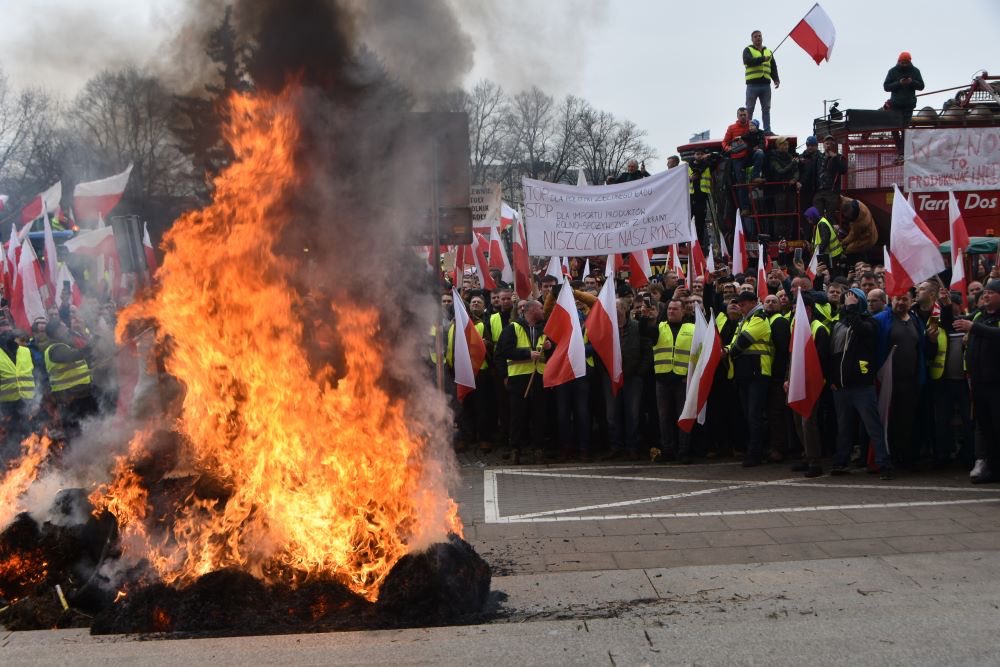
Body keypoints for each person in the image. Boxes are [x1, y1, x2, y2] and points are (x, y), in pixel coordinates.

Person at [829, 288, 893, 479]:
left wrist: (852, 310)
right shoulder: (838, 324)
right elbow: (832, 354)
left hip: (862, 385)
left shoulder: (869, 322)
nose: (848, 302)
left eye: (853, 299)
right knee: (844, 427)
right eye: (846, 299)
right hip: (840, 386)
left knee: (872, 426)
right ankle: (841, 461)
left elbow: (861, 330)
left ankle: (884, 464)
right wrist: (832, 379)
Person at [953, 279, 1000, 483]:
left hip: (997, 383)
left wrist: (974, 328)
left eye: (991, 292)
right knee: (986, 426)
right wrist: (946, 307)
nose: (985, 296)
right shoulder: (979, 315)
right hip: (979, 382)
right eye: (985, 293)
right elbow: (955, 322)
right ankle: (992, 468)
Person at [497, 299, 549, 464]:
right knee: (518, 416)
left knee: (539, 415)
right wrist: (527, 354)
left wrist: (549, 347)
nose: (543, 311)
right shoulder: (513, 328)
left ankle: (539, 449)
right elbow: (504, 351)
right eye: (540, 308)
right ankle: (515, 449)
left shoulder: (544, 330)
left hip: (539, 377)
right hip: (519, 378)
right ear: (531, 310)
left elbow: (551, 354)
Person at [723, 291, 772, 467]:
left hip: (757, 372)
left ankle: (756, 452)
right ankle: (756, 450)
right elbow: (735, 341)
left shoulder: (759, 317)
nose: (741, 307)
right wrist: (725, 349)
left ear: (753, 302)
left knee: (755, 415)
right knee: (749, 415)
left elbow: (743, 341)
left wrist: (729, 351)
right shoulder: (745, 320)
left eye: (743, 304)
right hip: (746, 373)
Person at [649, 299, 695, 463]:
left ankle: (684, 452)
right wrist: (648, 318)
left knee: (683, 417)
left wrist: (690, 376)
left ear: (683, 311)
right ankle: (668, 450)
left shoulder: (693, 328)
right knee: (664, 417)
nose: (671, 312)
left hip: (682, 380)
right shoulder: (659, 327)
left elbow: (698, 354)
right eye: (669, 309)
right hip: (662, 380)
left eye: (675, 309)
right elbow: (646, 332)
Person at [43, 319, 98, 440]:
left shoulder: (64, 346)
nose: (66, 328)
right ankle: (76, 455)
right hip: (71, 399)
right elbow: (74, 356)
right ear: (56, 331)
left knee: (92, 426)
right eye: (63, 326)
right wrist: (92, 343)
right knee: (75, 432)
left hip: (80, 395)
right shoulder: (55, 349)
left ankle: (92, 451)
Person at [743, 30, 780, 134]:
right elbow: (748, 61)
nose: (758, 38)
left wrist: (776, 79)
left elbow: (773, 67)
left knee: (766, 109)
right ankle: (747, 130)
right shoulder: (748, 50)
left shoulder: (768, 51)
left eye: (759, 36)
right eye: (755, 36)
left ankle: (767, 130)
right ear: (752, 39)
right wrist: (762, 59)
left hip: (765, 85)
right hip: (752, 85)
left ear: (762, 38)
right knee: (749, 109)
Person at [883, 52, 925, 126]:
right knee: (894, 126)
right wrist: (899, 83)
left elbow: (921, 86)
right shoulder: (892, 71)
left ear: (910, 61)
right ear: (899, 61)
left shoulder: (915, 71)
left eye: (906, 63)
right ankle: (897, 137)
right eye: (903, 63)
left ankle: (903, 137)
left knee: (905, 128)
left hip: (908, 106)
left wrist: (912, 82)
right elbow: (886, 87)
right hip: (895, 105)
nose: (905, 65)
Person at [813, 135, 847, 219]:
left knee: (830, 217)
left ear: (834, 145)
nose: (828, 145)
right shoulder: (819, 157)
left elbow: (843, 170)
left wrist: (834, 157)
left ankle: (830, 231)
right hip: (819, 191)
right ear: (823, 145)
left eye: (830, 143)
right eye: (826, 143)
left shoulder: (839, 157)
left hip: (832, 192)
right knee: (818, 216)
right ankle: (820, 231)